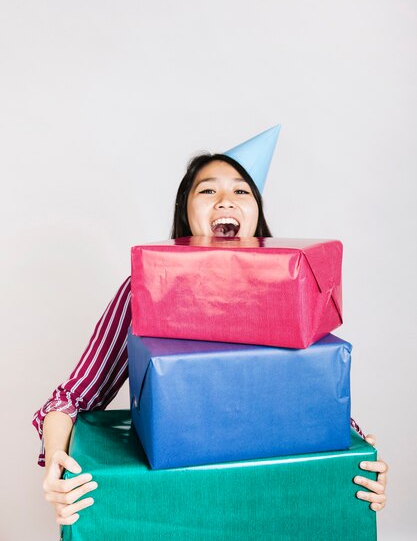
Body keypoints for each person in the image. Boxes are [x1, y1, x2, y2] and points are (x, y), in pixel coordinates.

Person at [33, 151, 388, 527]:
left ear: (256, 215)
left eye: (241, 191)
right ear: (185, 213)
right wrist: (58, 460)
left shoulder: (295, 289)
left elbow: (313, 394)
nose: (226, 201)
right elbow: (70, 400)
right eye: (207, 191)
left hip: (274, 505)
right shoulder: (145, 290)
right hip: (178, 511)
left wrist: (362, 457)